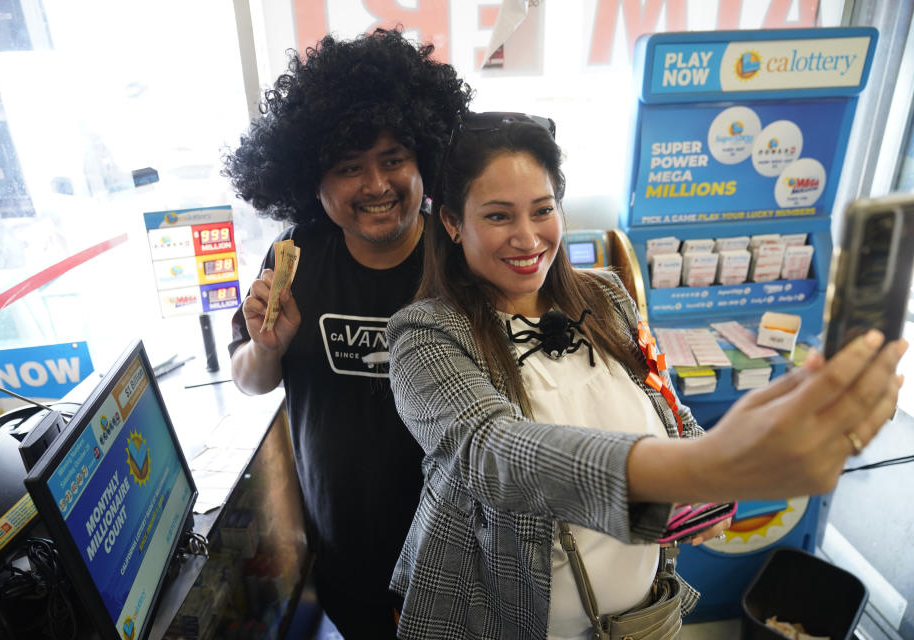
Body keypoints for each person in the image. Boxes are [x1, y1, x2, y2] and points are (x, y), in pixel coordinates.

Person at [385, 112, 906, 640]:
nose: (528, 237)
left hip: (641, 619)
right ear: (452, 222)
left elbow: (669, 411)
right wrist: (703, 465)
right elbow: (494, 454)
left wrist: (715, 480)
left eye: (543, 210)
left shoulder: (606, 297)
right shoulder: (425, 334)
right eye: (498, 216)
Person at [222, 28, 471, 638]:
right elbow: (251, 380)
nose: (377, 185)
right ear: (313, 181)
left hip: (457, 547)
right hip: (344, 548)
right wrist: (267, 346)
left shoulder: (462, 256)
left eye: (394, 160)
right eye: (349, 168)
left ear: (426, 159)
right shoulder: (295, 256)